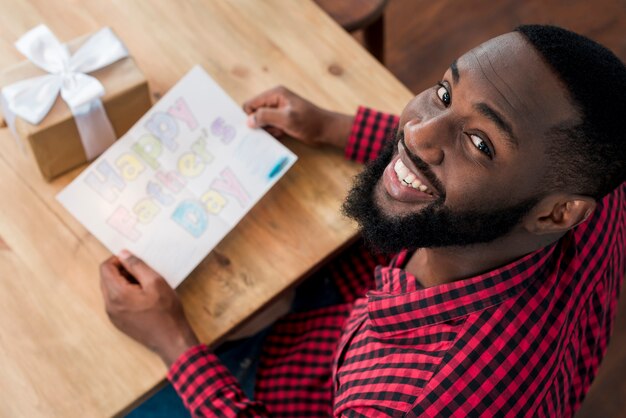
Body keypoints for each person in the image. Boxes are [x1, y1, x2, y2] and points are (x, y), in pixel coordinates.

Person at [100, 25, 625, 417]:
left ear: (557, 213)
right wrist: (334, 125)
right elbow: (442, 141)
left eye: (480, 142)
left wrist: (173, 341)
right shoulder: (595, 187)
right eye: (444, 92)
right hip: (351, 312)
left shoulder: (405, 402)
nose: (418, 132)